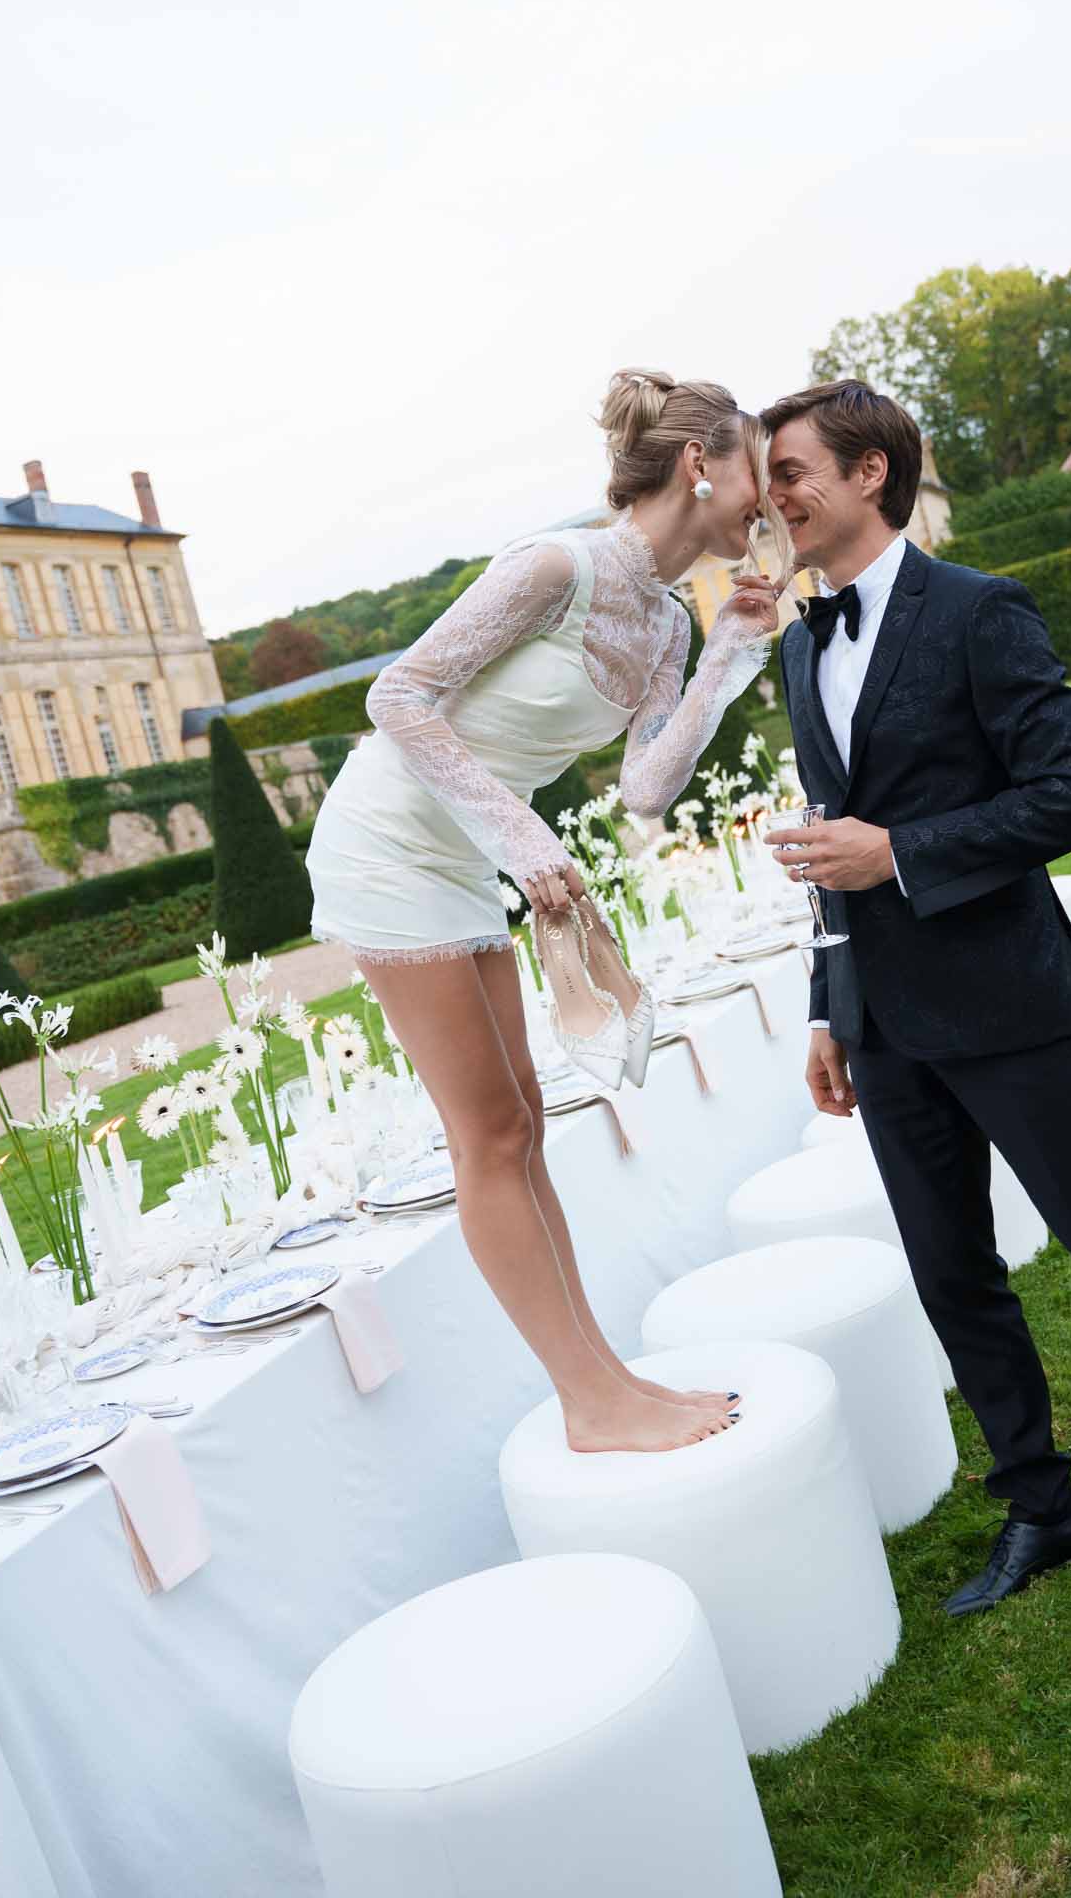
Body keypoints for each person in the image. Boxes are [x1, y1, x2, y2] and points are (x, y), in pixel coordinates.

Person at [763, 379, 1071, 1607]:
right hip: (883, 1026)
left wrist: (904, 853)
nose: (770, 496)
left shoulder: (980, 612)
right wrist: (832, 1006)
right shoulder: (795, 642)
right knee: (952, 1275)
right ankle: (1043, 1507)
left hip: (1006, 1001)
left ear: (869, 472)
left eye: (788, 470)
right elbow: (836, 844)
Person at [307, 369, 787, 1455]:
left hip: (473, 852)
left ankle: (602, 1378)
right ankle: (590, 1403)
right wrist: (520, 838)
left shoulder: (668, 620)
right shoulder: (555, 564)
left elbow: (645, 790)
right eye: (758, 465)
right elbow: (398, 697)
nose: (768, 496)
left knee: (520, 1125)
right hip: (392, 841)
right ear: (699, 464)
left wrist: (724, 654)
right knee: (490, 1133)